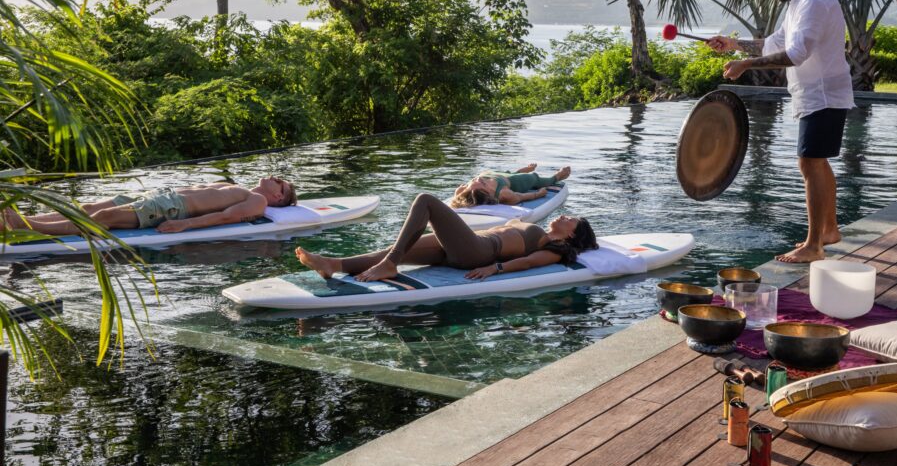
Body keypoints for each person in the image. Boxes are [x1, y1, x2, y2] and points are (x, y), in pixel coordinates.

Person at [707, 0, 853, 264]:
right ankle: (829, 230)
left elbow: (796, 54)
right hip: (819, 94)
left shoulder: (813, 1)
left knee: (810, 162)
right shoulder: (800, 2)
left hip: (824, 93)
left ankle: (814, 245)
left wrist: (745, 65)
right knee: (816, 161)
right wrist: (733, 44)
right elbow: (773, 43)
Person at [296, 192, 596, 282]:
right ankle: (332, 265)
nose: (565, 216)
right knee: (396, 248)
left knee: (426, 200)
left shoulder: (555, 247)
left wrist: (496, 268)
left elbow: (531, 263)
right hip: (464, 246)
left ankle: (389, 264)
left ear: (572, 235)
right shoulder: (539, 229)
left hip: (477, 252)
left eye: (571, 220)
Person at [4, 177, 297, 236]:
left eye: (280, 184)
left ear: (278, 198)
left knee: (104, 216)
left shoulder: (257, 200)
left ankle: (25, 226)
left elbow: (226, 217)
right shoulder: (242, 186)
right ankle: (23, 216)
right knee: (91, 205)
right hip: (160, 196)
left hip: (169, 209)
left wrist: (186, 224)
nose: (275, 178)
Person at [450, 162, 572, 207]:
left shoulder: (462, 191)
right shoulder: (504, 194)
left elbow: (455, 202)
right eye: (481, 183)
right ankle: (557, 176)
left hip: (492, 173)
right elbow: (521, 197)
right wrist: (539, 194)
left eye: (473, 182)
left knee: (505, 173)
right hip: (512, 182)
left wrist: (480, 181)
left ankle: (518, 171)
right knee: (535, 180)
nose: (476, 179)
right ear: (485, 192)